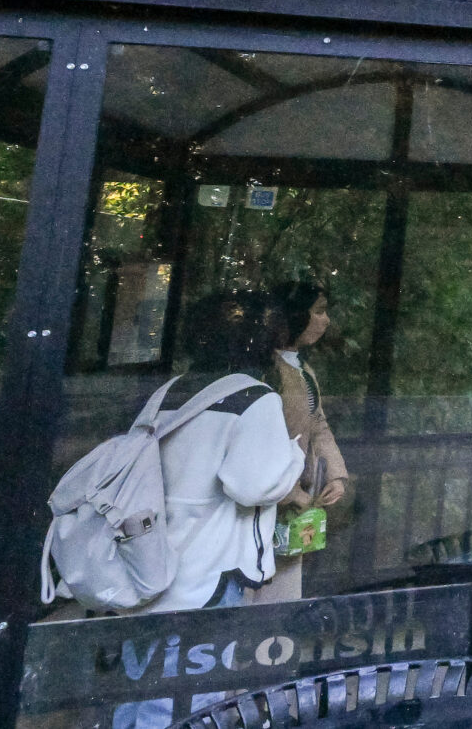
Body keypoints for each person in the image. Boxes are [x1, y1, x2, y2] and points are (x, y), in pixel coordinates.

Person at [110, 290, 303, 729]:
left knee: (138, 689)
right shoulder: (255, 398)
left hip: (146, 566)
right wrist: (294, 457)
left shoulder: (170, 391)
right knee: (188, 699)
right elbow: (252, 484)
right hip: (205, 577)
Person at [251, 280, 349, 602]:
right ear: (294, 315)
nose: (326, 320)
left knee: (283, 588)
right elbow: (261, 440)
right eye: (318, 311)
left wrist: (335, 473)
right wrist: (289, 492)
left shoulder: (301, 367)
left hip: (294, 500)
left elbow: (316, 421)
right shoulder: (265, 370)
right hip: (264, 499)